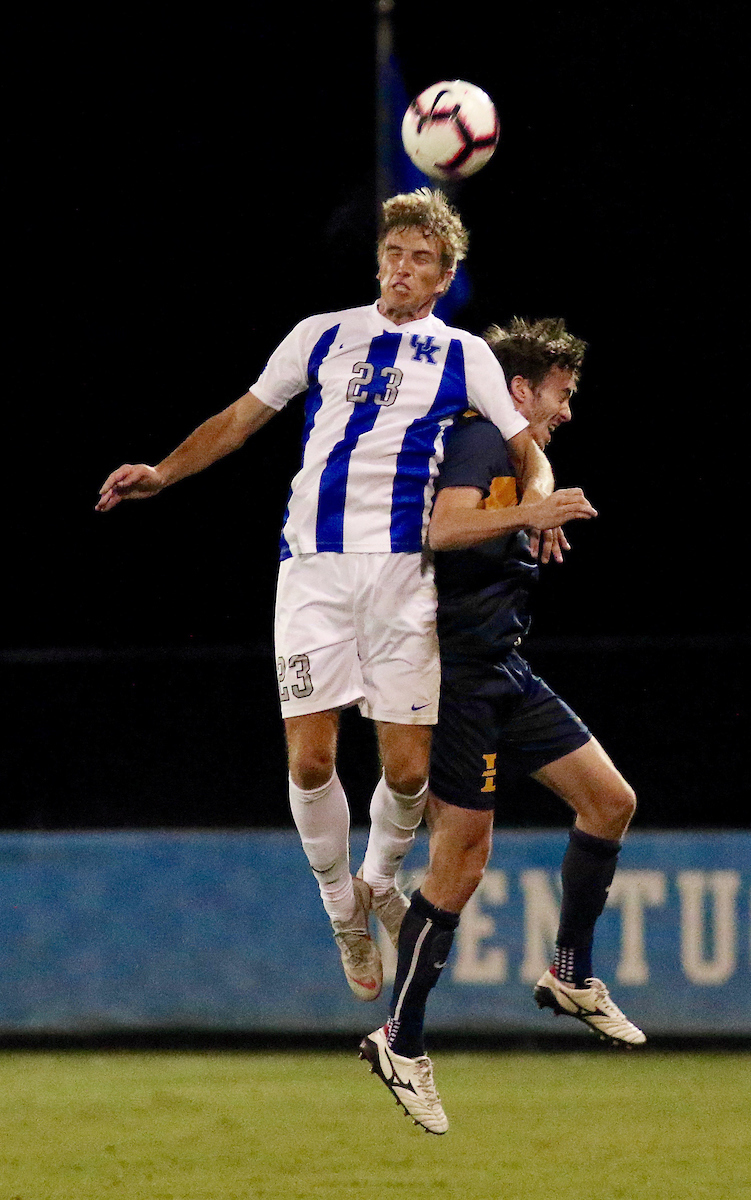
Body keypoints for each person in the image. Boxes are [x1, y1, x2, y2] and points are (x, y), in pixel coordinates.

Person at [95, 190, 556, 1003]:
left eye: (420, 259)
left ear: (444, 277)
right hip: (313, 571)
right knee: (310, 757)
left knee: (409, 774)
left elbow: (526, 450)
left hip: (403, 577)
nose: (401, 269)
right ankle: (344, 907)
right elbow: (240, 418)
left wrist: (541, 507)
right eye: (393, 254)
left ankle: (380, 878)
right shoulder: (322, 335)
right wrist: (163, 472)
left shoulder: (463, 356)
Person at [360, 317, 643, 1136]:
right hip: (456, 681)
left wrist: (537, 496)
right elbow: (439, 530)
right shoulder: (482, 439)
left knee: (609, 802)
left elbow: (525, 478)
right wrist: (531, 510)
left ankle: (569, 974)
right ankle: (400, 1039)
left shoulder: (515, 453)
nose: (566, 410)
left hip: (505, 672)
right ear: (520, 391)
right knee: (463, 862)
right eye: (560, 394)